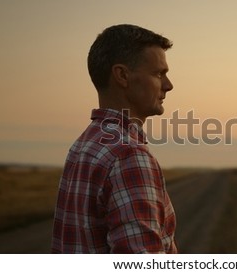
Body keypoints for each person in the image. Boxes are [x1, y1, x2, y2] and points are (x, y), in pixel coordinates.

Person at [51, 24, 177, 253]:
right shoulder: (128, 155)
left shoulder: (85, 143)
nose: (168, 85)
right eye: (159, 73)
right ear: (122, 75)